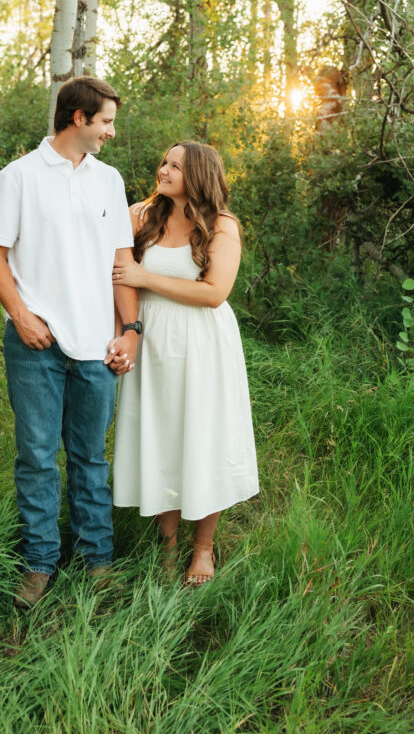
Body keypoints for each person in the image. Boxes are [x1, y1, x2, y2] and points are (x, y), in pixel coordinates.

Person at [0, 76, 140, 608]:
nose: (111, 133)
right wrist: (21, 316)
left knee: (91, 458)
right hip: (36, 344)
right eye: (107, 122)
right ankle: (39, 563)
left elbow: (123, 264)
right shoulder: (19, 176)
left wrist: (129, 331)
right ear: (79, 118)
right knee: (36, 457)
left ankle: (97, 562)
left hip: (97, 344)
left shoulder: (109, 181)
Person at [111, 141, 259, 585]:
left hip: (203, 343)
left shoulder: (221, 225)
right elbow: (121, 275)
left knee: (203, 437)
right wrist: (129, 328)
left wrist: (145, 276)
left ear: (198, 174)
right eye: (163, 162)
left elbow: (214, 293)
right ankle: (168, 547)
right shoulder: (141, 215)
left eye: (175, 165)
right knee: (162, 437)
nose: (163, 170)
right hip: (152, 337)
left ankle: (204, 548)